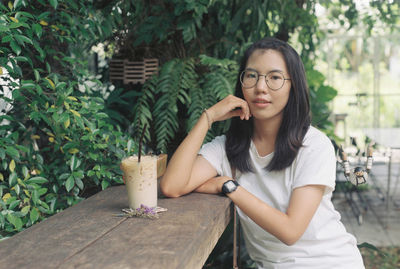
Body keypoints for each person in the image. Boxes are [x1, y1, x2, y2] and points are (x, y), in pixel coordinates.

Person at [160, 37, 365, 268]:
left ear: (293, 86)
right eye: (251, 75)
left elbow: (290, 231)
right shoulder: (228, 147)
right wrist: (207, 118)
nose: (260, 87)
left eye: (274, 77)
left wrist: (228, 185)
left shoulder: (314, 146)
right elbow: (172, 186)